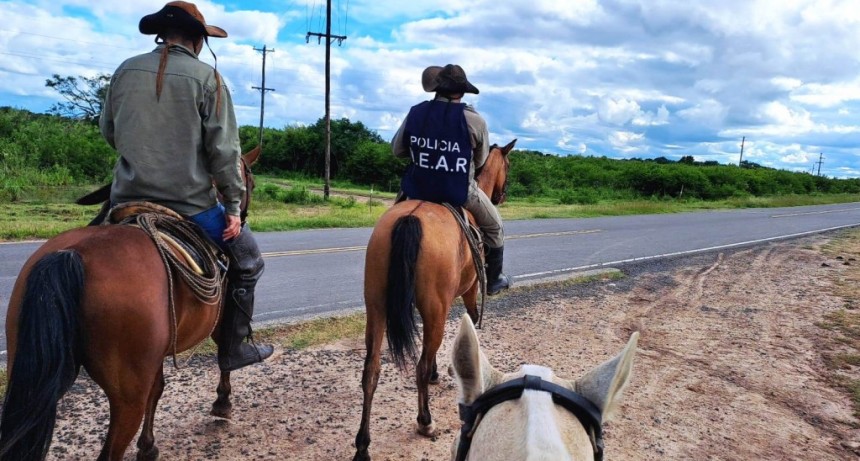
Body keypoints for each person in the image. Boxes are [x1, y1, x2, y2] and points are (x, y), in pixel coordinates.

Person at [99, 1, 274, 372]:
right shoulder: (208, 79)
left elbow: (109, 132)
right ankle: (234, 348)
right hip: (190, 204)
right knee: (249, 261)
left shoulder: (125, 69)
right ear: (198, 40)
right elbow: (224, 152)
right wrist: (232, 207)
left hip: (125, 198)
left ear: (161, 35)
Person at [391, 64, 511, 295]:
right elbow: (480, 161)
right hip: (458, 191)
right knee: (495, 226)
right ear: (463, 91)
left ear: (437, 87)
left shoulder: (416, 112)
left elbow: (397, 150)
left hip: (416, 188)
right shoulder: (475, 121)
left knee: (391, 221)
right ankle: (494, 279)